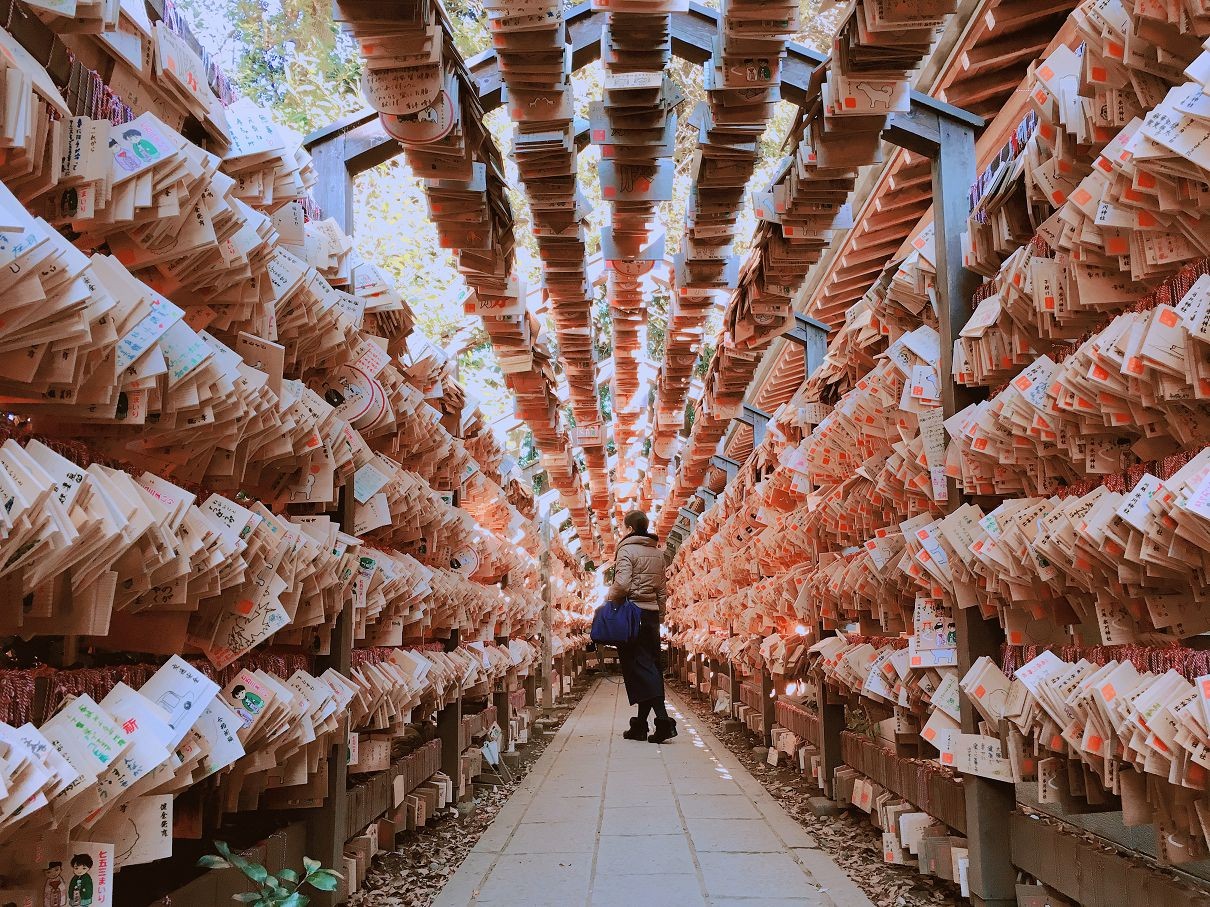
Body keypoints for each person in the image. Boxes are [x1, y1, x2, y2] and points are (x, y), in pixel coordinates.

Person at [609, 511, 676, 744]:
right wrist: (660, 616)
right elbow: (662, 590)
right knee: (649, 667)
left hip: (632, 614)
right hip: (650, 615)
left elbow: (623, 583)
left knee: (640, 669)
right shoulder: (658, 553)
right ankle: (640, 726)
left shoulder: (626, 550)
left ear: (628, 529)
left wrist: (611, 600)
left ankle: (663, 720)